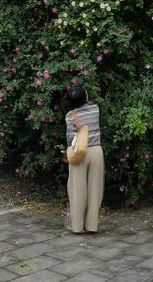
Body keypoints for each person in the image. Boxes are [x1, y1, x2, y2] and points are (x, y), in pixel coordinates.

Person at [65, 85, 104, 233]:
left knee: (77, 190)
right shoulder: (95, 109)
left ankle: (77, 227)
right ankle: (92, 226)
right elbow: (89, 101)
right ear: (85, 97)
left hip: (79, 152)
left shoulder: (70, 115)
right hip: (96, 152)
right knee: (95, 190)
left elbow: (70, 139)